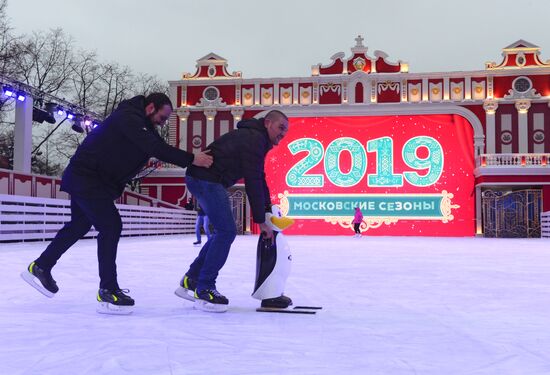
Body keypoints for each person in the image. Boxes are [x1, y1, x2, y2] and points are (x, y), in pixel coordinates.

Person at [21, 93, 213, 314]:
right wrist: (191, 159)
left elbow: (157, 146)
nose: (163, 122)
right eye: (163, 116)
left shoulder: (144, 126)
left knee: (79, 226)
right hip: (87, 177)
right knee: (111, 226)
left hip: (91, 179)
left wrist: (192, 161)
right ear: (150, 107)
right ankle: (108, 289)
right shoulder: (128, 117)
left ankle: (41, 266)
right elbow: (153, 146)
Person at [175, 110, 289, 312]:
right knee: (226, 232)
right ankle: (205, 288)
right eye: (281, 127)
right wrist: (262, 220)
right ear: (268, 123)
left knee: (222, 232)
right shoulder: (254, 139)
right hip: (205, 179)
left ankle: (192, 280)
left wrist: (267, 207)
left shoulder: (256, 138)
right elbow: (253, 180)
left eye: (285, 131)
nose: (283, 133)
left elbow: (259, 177)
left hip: (205, 179)